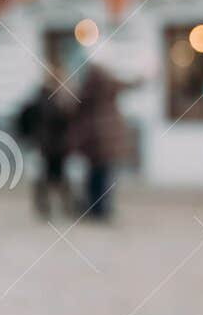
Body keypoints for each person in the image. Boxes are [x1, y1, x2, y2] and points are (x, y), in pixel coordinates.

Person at [71, 60, 136, 223]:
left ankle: (96, 208)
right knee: (104, 175)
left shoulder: (88, 91)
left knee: (95, 176)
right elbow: (130, 84)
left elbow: (74, 108)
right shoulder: (109, 87)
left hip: (94, 143)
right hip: (105, 143)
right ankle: (102, 208)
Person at [18, 60, 78, 222]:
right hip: (47, 143)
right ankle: (46, 208)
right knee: (46, 176)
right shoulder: (45, 97)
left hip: (58, 144)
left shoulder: (60, 97)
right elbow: (27, 117)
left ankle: (64, 207)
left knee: (59, 176)